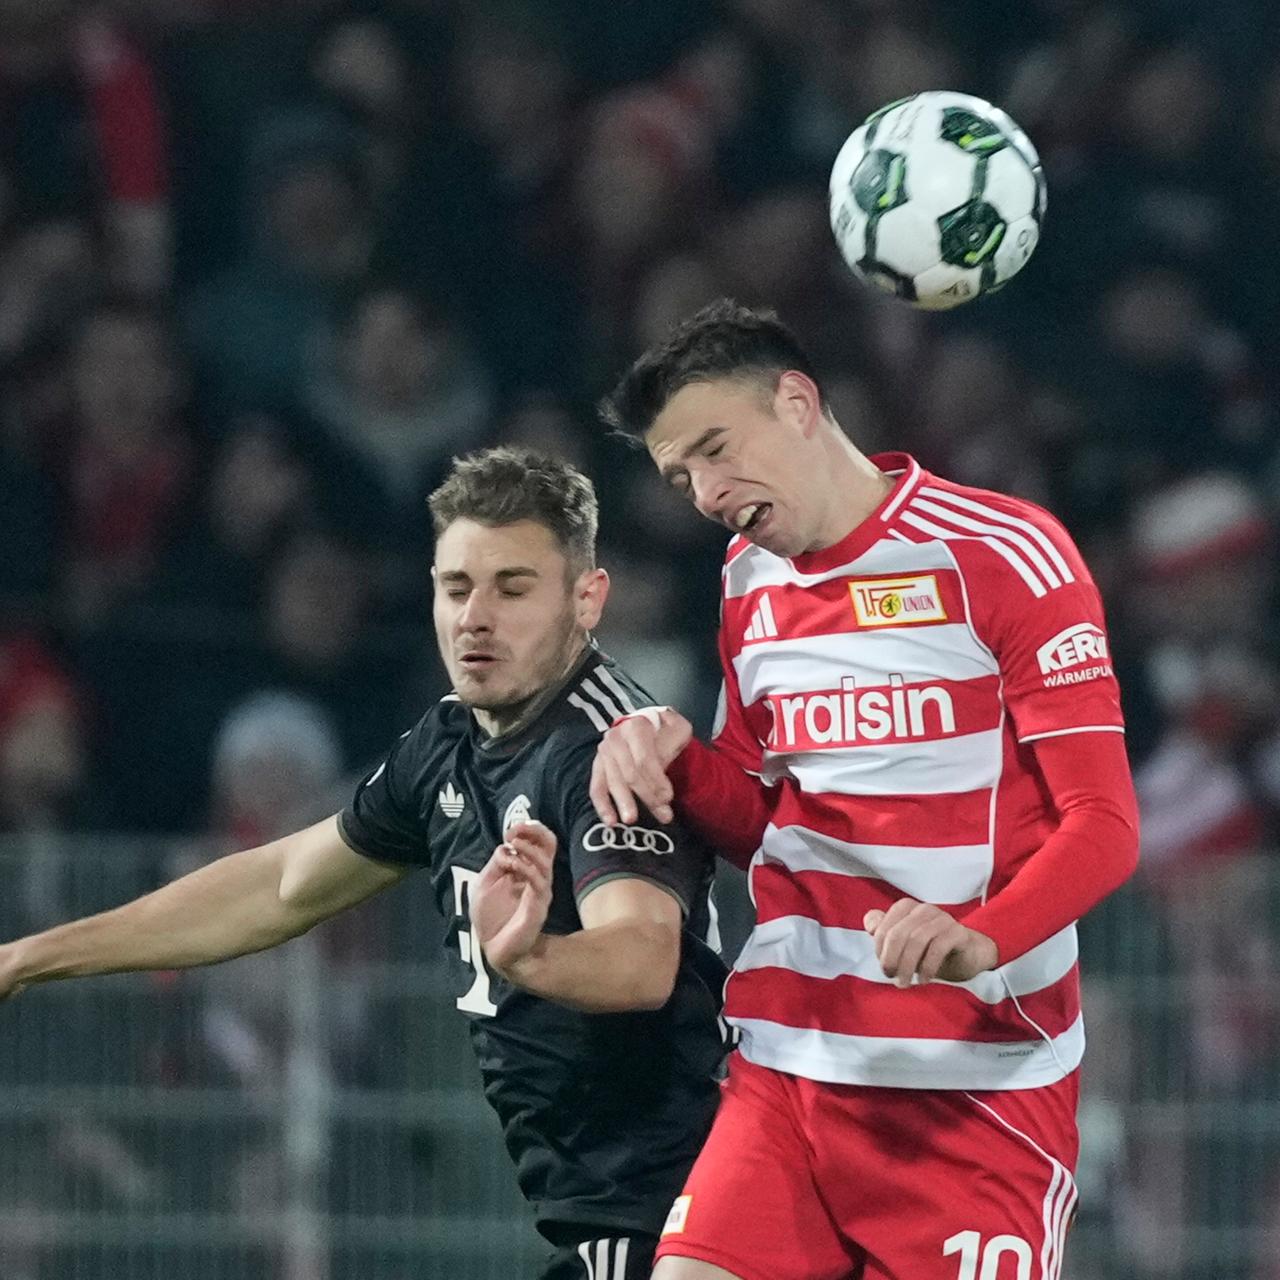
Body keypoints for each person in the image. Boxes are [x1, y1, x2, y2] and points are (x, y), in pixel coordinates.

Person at [0, 447, 727, 1280]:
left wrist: (530, 954)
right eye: (457, 588)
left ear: (586, 598)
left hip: (684, 1214)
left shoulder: (606, 751)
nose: (476, 618)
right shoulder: (447, 744)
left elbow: (640, 961)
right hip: (604, 1215)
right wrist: (31, 958)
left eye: (513, 588)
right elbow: (278, 886)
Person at [591, 300, 1141, 1280]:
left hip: (972, 1093)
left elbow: (1101, 824)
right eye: (681, 477)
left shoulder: (1001, 554)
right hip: (787, 1070)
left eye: (717, 448)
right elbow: (760, 818)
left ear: (797, 402)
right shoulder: (747, 581)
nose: (708, 492)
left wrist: (982, 935)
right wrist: (667, 756)